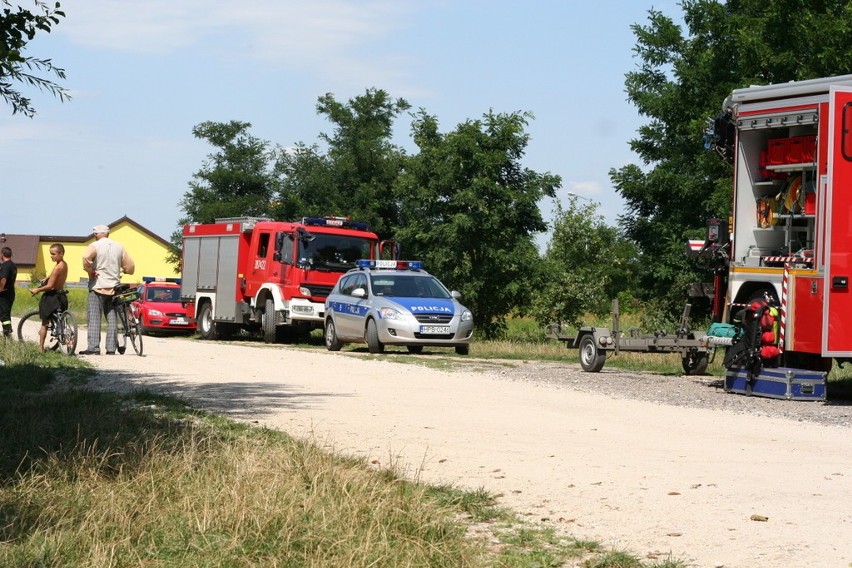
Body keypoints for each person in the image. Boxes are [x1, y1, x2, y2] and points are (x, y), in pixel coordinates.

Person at [80, 225, 135, 355]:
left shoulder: (95, 246)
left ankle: (93, 348)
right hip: (114, 287)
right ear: (108, 234)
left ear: (95, 235)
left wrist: (91, 270)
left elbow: (85, 258)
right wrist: (124, 270)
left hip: (97, 286)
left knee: (94, 317)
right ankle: (111, 348)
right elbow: (130, 266)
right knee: (112, 318)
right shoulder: (119, 247)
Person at [29, 243, 69, 352]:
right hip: (62, 295)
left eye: (53, 254)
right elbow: (54, 275)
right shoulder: (63, 264)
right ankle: (65, 338)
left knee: (44, 323)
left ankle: (40, 347)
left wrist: (37, 290)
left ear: (61, 253)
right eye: (50, 254)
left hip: (52, 296)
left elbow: (50, 286)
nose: (51, 256)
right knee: (61, 319)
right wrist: (47, 277)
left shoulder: (57, 267)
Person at [0, 246, 17, 338]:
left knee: (4, 315)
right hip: (10, 292)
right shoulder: (13, 265)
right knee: (5, 313)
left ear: (2, 254)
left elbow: (3, 278)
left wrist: (1, 288)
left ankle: (7, 334)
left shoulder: (6, 265)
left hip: (4, 294)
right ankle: (7, 332)